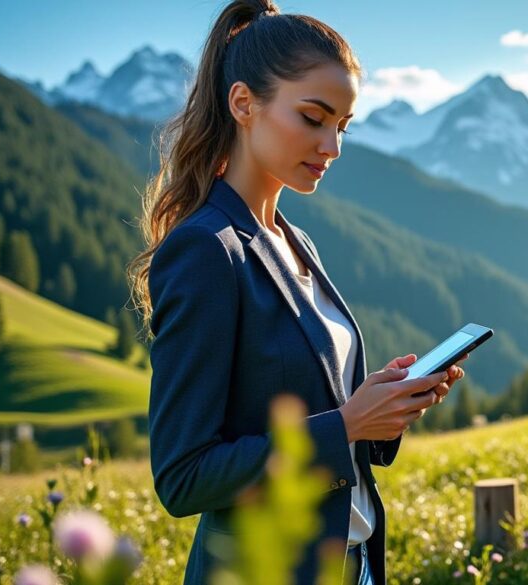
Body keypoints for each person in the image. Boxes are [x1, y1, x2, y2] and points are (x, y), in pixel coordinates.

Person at [127, 2, 466, 583]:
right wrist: (347, 425)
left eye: (343, 125)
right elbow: (183, 476)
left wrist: (380, 410)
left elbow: (315, 412)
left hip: (351, 565)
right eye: (313, 117)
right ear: (243, 104)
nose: (332, 146)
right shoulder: (207, 251)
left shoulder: (294, 239)